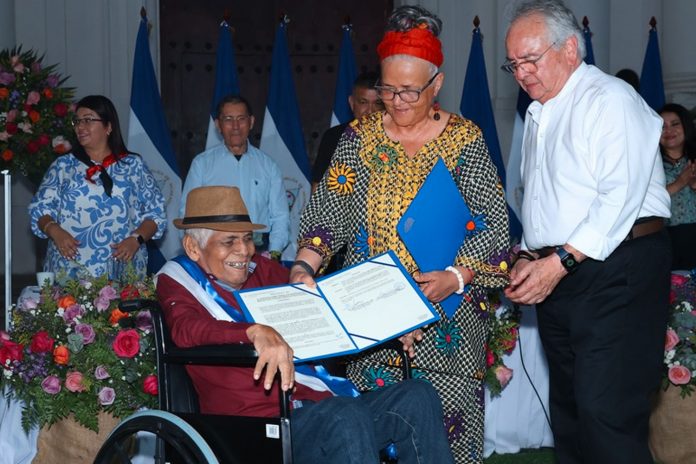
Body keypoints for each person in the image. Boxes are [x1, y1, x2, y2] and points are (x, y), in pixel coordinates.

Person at [290, 5, 511, 463]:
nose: (398, 101)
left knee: (444, 441)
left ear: (437, 84)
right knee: (372, 436)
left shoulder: (464, 139)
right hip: (375, 319)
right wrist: (303, 266)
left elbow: (492, 221)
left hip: (445, 319)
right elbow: (330, 209)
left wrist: (456, 275)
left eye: (410, 90)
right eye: (388, 89)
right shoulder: (358, 138)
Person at [156, 186, 455, 463]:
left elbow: (328, 300)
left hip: (317, 408)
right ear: (193, 248)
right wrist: (253, 332)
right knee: (343, 415)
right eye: (229, 241)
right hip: (256, 426)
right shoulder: (179, 280)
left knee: (417, 395)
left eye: (248, 238)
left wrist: (394, 318)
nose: (244, 250)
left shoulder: (261, 270)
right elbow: (186, 330)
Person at [502, 1, 672, 463]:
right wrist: (526, 255)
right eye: (513, 64)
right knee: (571, 415)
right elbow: (543, 206)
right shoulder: (541, 113)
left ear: (571, 48)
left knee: (607, 414)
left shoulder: (609, 98)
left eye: (531, 59)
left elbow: (618, 197)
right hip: (565, 271)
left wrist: (560, 262)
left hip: (618, 267)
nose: (521, 72)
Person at [29, 95, 166, 279]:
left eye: (88, 120)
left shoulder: (133, 165)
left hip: (122, 268)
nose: (80, 127)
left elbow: (156, 214)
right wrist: (55, 231)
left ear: (108, 127)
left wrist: (136, 239)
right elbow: (39, 210)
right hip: (70, 270)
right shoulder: (62, 166)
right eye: (77, 121)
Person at [180, 94, 289, 259]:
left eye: (241, 119)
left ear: (251, 122)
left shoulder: (268, 166)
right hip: (214, 250)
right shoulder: (202, 164)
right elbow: (186, 213)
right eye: (228, 119)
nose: (236, 126)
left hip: (259, 250)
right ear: (218, 124)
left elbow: (280, 215)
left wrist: (274, 253)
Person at [311, 71, 384, 192]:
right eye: (363, 102)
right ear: (352, 103)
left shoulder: (398, 137)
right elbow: (318, 187)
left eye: (377, 103)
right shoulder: (333, 137)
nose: (370, 111)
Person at [658, 103, 696, 270]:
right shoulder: (650, 165)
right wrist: (680, 183)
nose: (669, 131)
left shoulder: (693, 160)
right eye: (662, 127)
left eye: (675, 124)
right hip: (663, 237)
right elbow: (647, 199)